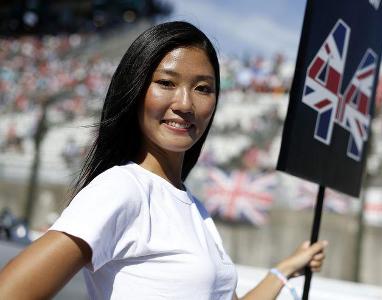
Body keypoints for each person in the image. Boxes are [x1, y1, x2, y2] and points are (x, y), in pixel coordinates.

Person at [0, 21, 327, 299]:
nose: (185, 103)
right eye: (166, 83)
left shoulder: (193, 206)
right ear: (135, 89)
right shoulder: (122, 188)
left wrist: (283, 271)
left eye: (202, 88)